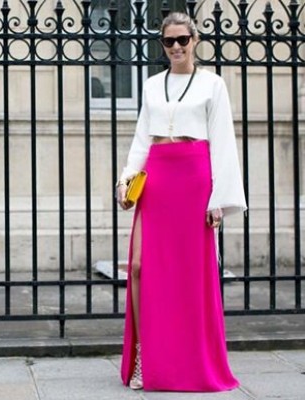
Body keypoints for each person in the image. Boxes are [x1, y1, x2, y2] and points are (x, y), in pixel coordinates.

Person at [116, 12, 247, 392]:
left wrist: (218, 198)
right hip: (156, 178)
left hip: (193, 182)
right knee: (139, 266)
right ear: (162, 45)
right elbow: (143, 136)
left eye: (182, 40)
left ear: (195, 40)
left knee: (189, 277)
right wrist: (126, 180)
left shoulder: (213, 84)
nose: (176, 47)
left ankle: (188, 363)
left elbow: (223, 141)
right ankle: (143, 357)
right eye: (169, 42)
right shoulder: (153, 85)